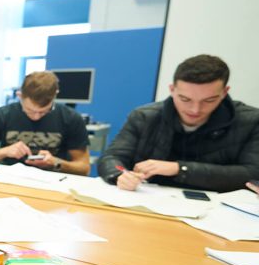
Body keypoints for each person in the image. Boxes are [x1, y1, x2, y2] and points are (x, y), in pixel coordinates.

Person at [98, 54, 259, 192]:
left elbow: (252, 174)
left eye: (209, 100)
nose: (195, 109)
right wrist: (120, 175)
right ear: (172, 89)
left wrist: (180, 169)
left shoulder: (250, 121)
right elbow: (111, 158)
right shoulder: (144, 117)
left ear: (224, 92)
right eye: (185, 99)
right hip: (150, 203)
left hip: (217, 212)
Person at [0, 71, 90, 175]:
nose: (36, 116)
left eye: (43, 112)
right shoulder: (3, 115)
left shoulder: (71, 118)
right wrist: (5, 152)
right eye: (29, 110)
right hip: (9, 180)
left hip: (52, 181)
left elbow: (84, 168)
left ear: (55, 96)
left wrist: (56, 162)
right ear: (19, 96)